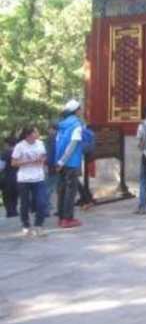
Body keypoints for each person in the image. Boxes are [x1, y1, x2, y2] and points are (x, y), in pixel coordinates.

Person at [12, 127, 48, 236]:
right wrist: (29, 161)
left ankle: (39, 225)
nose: (37, 133)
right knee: (25, 203)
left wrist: (42, 159)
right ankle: (26, 225)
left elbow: (44, 156)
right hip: (24, 179)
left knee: (41, 202)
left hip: (39, 177)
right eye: (35, 132)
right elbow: (13, 163)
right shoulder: (20, 146)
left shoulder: (40, 143)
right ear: (28, 135)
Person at [55, 99, 85, 228]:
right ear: (76, 111)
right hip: (71, 162)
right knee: (70, 191)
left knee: (62, 190)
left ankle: (61, 217)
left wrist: (59, 161)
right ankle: (67, 219)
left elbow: (58, 144)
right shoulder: (76, 125)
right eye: (80, 108)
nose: (81, 111)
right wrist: (63, 161)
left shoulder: (62, 125)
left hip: (60, 162)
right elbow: (72, 145)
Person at [1, 136, 19, 218]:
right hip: (18, 176)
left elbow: (1, 166)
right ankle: (14, 210)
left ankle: (10, 211)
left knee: (7, 195)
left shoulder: (4, 153)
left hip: (7, 176)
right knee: (15, 194)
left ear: (7, 144)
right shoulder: (18, 152)